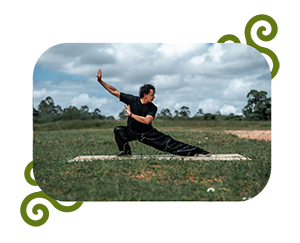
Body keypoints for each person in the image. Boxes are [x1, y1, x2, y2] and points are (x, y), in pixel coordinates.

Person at [96, 69, 212, 157]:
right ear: (145, 94)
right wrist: (101, 81)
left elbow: (147, 121)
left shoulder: (152, 107)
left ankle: (197, 150)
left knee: (169, 144)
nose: (154, 97)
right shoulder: (132, 100)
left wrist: (131, 115)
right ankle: (126, 152)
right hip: (132, 131)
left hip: (147, 133)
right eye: (152, 95)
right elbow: (114, 91)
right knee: (118, 130)